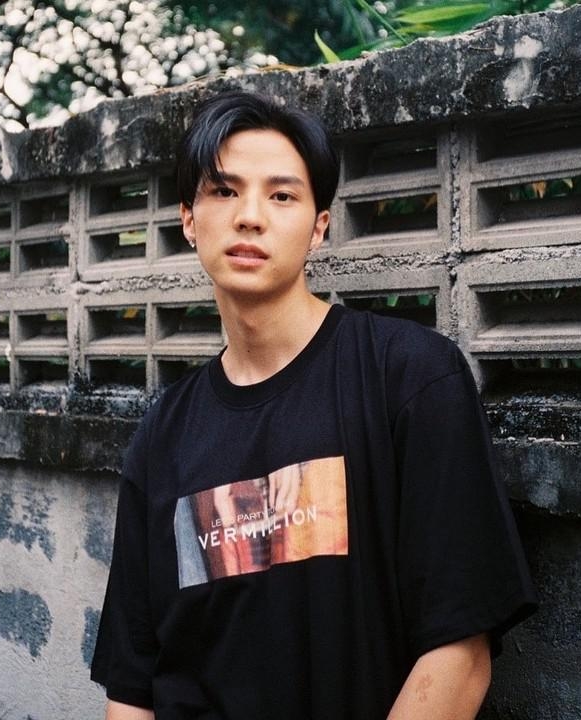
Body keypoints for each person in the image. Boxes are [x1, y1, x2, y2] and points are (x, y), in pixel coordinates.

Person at [91, 91, 536, 720]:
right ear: (189, 219)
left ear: (319, 226)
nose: (250, 217)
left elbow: (460, 654)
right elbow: (132, 686)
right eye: (224, 191)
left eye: (281, 195)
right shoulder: (163, 433)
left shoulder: (409, 376)